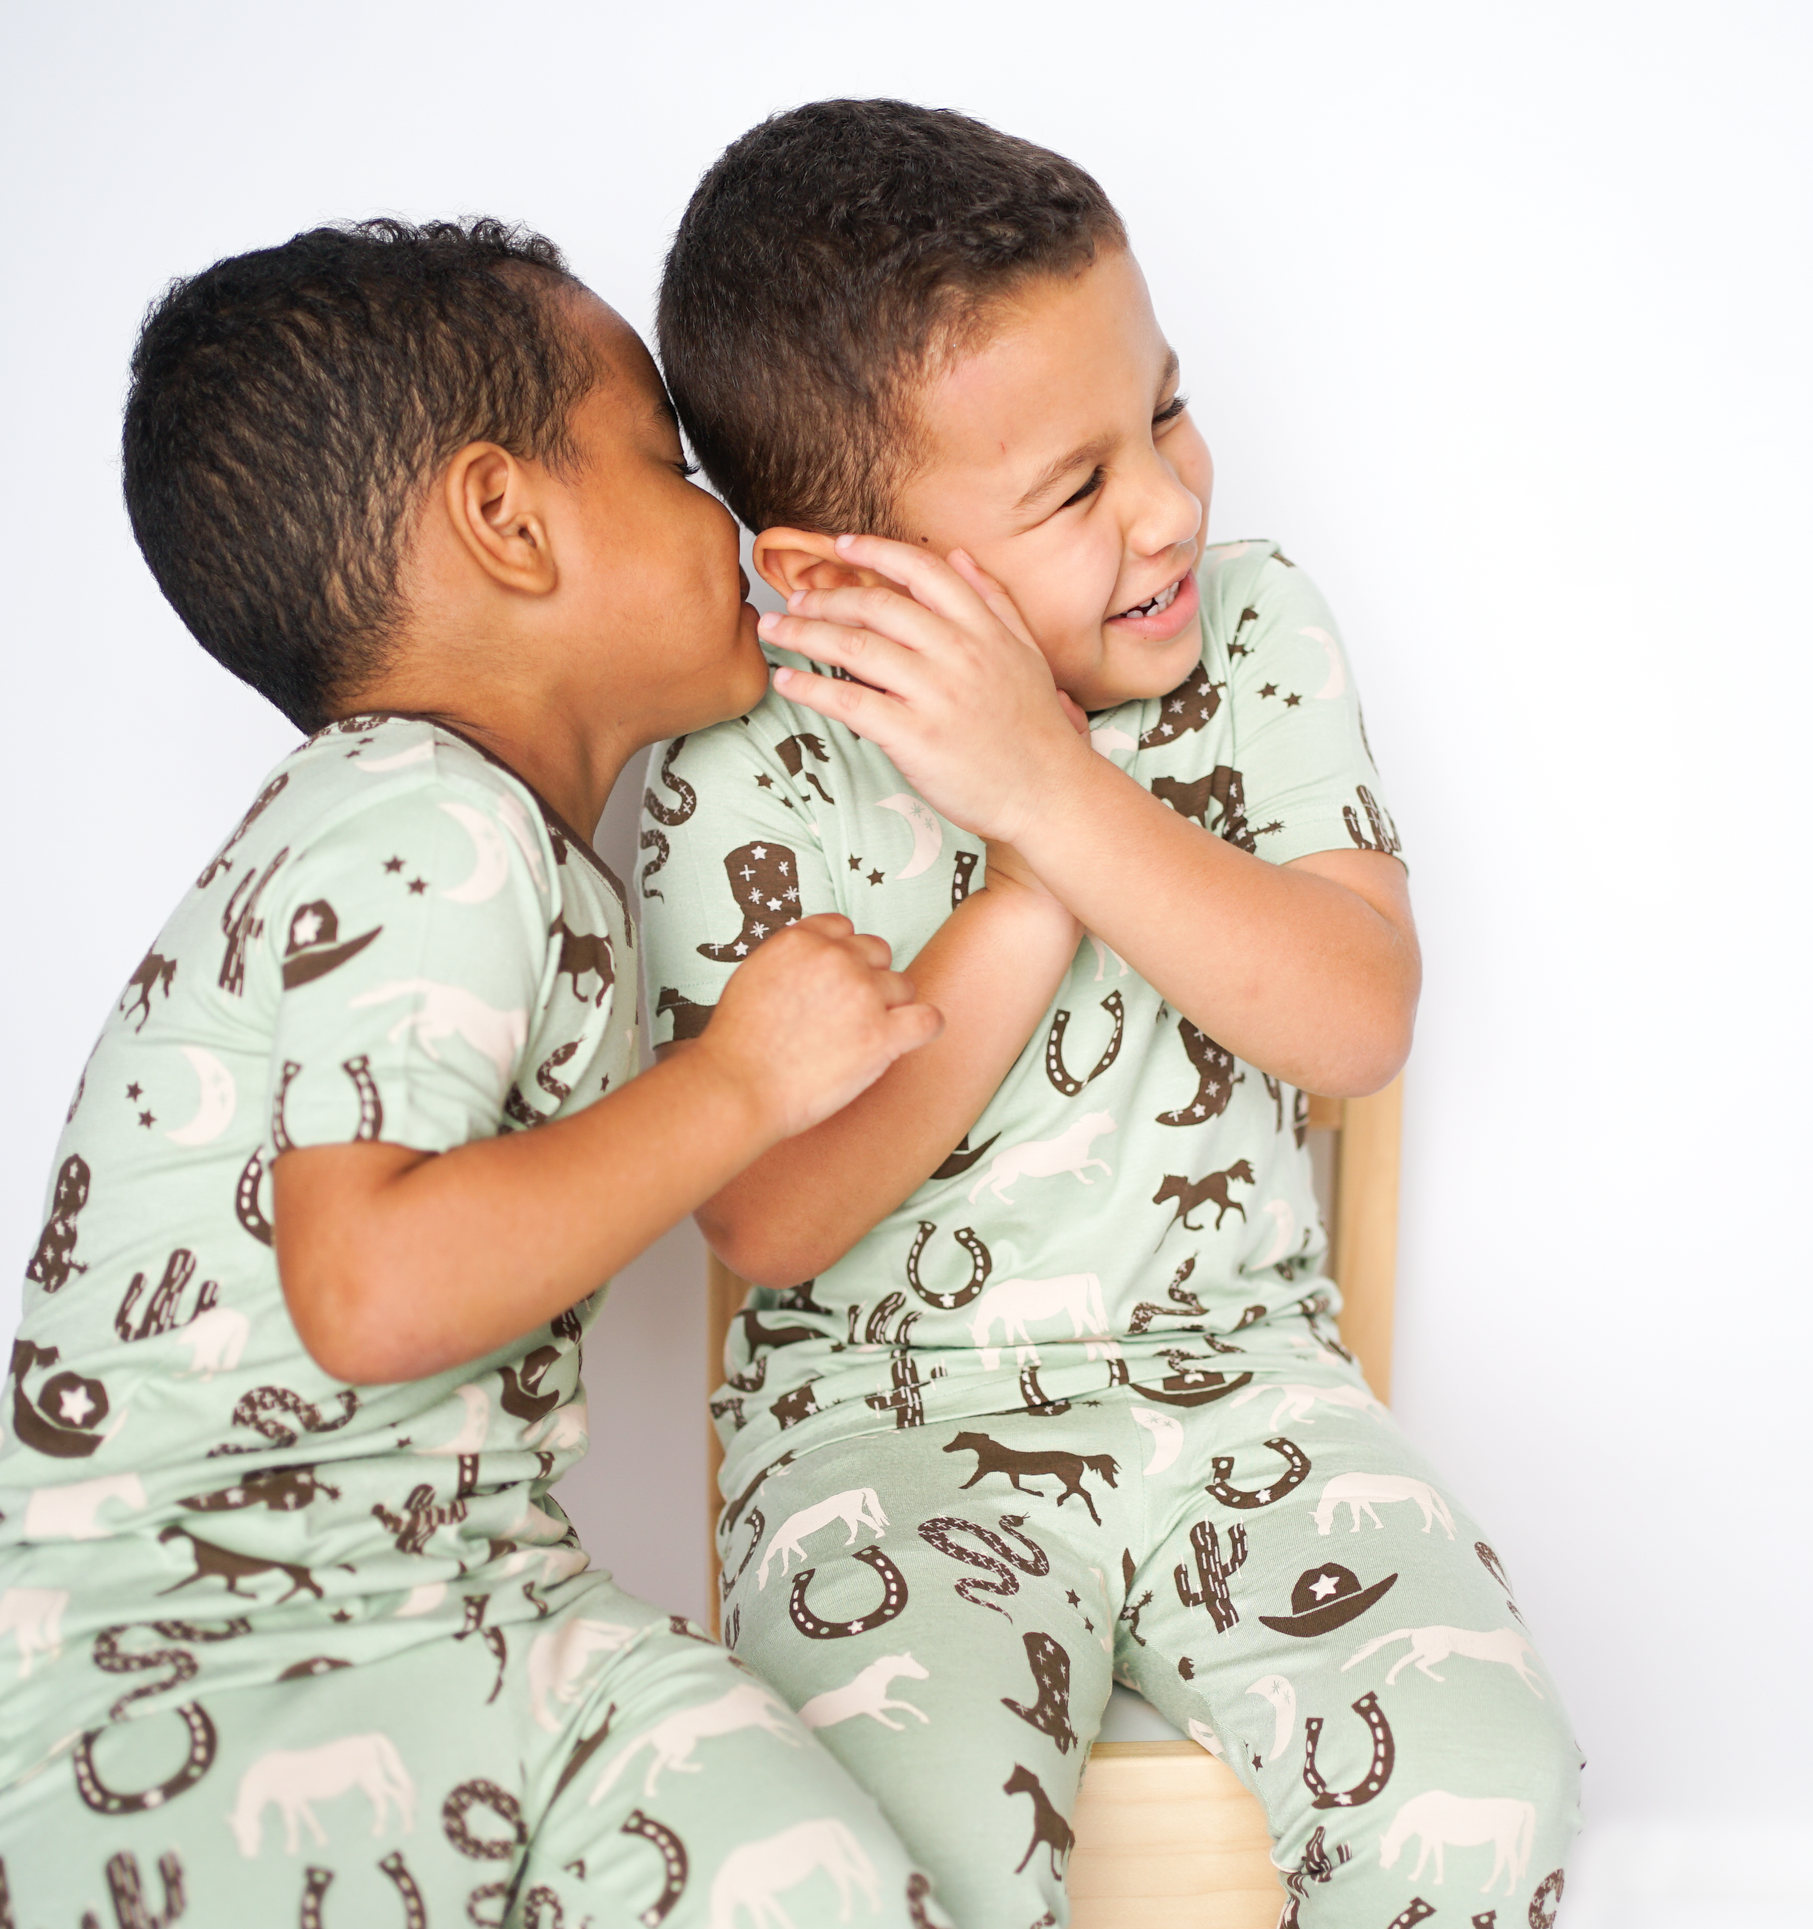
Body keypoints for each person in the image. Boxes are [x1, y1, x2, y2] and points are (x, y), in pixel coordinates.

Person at [0, 217, 954, 1929]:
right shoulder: (435, 822)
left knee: (807, 1857)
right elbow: (371, 1288)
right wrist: (742, 1086)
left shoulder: (450, 831)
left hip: (442, 1594)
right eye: (673, 463)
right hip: (199, 1653)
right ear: (506, 518)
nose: (731, 523)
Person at [641, 101, 1581, 1928]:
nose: (1164, 501)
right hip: (876, 1427)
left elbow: (1354, 1020)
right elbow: (771, 1217)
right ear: (838, 572)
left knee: (1488, 1787)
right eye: (1073, 490)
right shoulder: (738, 758)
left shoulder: (1256, 638)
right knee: (885, 1839)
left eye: (1159, 408)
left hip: (1251, 1392)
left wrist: (1062, 790)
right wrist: (1026, 874)